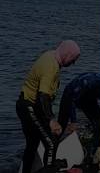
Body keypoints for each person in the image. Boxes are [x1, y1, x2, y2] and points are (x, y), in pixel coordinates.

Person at [16, 40, 80, 173]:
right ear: (67, 55)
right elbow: (43, 96)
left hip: (27, 105)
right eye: (73, 59)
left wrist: (50, 119)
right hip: (29, 106)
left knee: (32, 145)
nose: (73, 63)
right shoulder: (52, 67)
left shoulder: (51, 55)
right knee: (50, 144)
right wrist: (51, 120)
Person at [58, 72, 100, 164]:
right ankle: (53, 147)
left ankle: (91, 153)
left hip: (88, 99)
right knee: (62, 124)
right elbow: (72, 100)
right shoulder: (91, 81)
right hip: (70, 95)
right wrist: (73, 121)